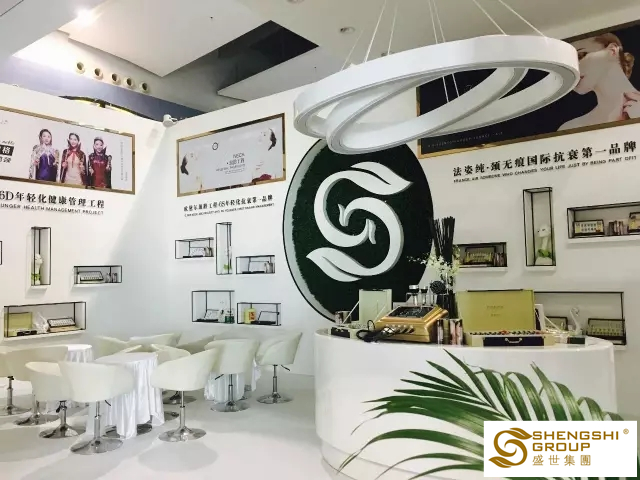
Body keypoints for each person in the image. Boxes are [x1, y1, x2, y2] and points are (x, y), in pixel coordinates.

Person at [559, 33, 640, 131]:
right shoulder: (570, 128)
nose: (572, 68)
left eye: (580, 56)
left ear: (612, 51)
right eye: (568, 64)